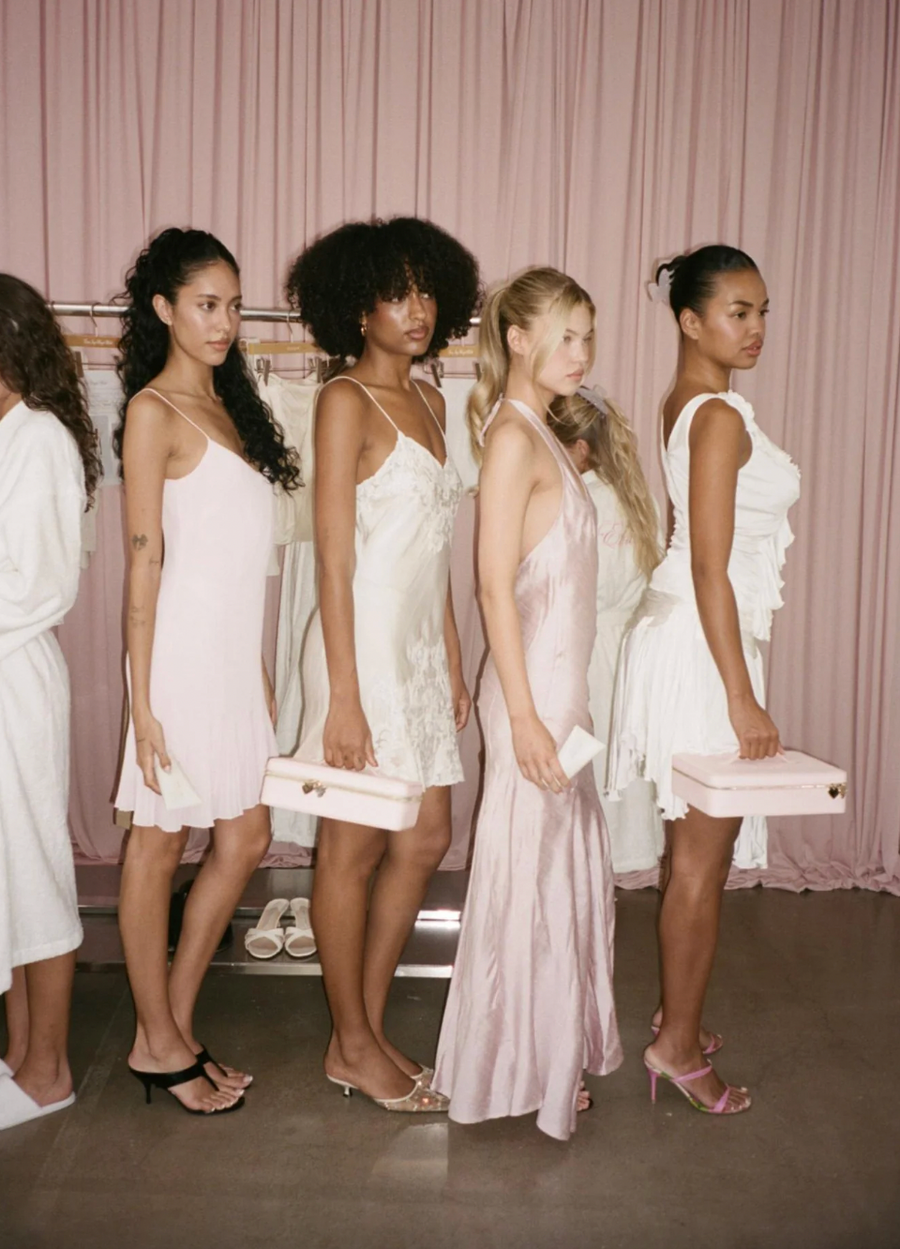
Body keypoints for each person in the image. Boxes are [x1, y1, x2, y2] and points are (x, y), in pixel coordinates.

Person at [285, 217, 480, 1112]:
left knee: (428, 837)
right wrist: (344, 697)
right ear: (357, 308)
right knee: (352, 848)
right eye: (396, 293)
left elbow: (433, 546)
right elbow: (334, 560)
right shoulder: (344, 400)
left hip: (419, 654)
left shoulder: (434, 400)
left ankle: (354, 1029)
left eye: (426, 290)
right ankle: (356, 1044)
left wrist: (451, 651)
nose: (417, 308)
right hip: (357, 653)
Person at [609, 245, 800, 1114]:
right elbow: (708, 567)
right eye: (737, 311)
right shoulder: (715, 414)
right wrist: (740, 696)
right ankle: (676, 1046)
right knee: (698, 861)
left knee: (697, 856)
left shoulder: (692, 400)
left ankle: (677, 1013)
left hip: (693, 635)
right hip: (700, 645)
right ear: (690, 321)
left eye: (761, 311)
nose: (755, 328)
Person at [433, 267, 623, 1141]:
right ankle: (519, 1068)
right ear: (517, 337)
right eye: (565, 335)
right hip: (531, 693)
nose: (582, 353)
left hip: (554, 688)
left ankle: (547, 1056)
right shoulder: (512, 437)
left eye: (587, 336)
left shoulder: (540, 429)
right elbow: (491, 587)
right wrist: (524, 717)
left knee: (556, 874)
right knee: (532, 881)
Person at [114, 228, 300, 1115]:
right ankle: (157, 1041)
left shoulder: (232, 406)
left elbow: (236, 564)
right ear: (164, 309)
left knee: (246, 837)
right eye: (205, 304)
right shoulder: (153, 411)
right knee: (158, 844)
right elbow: (143, 562)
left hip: (229, 665)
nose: (224, 322)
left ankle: (172, 1029)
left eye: (232, 305)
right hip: (177, 664)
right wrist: (141, 700)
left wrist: (258, 673)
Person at [0, 274, 101, 1130]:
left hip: (15, 678)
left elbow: (40, 585)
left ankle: (49, 1069)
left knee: (34, 870)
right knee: (6, 876)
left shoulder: (39, 438)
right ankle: (19, 1055)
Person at [551, 386, 664, 872]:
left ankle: (575, 874)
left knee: (578, 770)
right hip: (627, 657)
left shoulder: (573, 505)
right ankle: (609, 866)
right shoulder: (637, 500)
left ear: (578, 449)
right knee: (617, 768)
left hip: (579, 654)